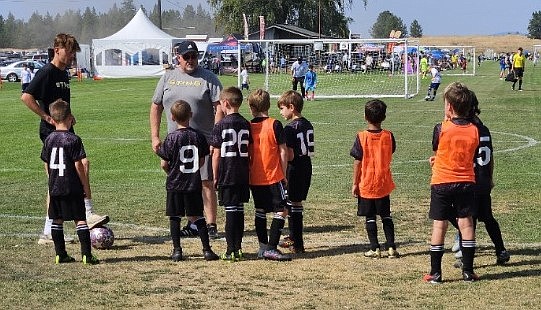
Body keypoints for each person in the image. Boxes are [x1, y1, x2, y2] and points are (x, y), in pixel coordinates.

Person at [21, 33, 109, 245]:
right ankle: (74, 218)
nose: (71, 56)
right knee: (59, 177)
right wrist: (46, 117)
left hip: (65, 129)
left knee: (76, 169)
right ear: (57, 49)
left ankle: (74, 219)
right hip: (52, 132)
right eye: (69, 52)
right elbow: (26, 96)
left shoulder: (63, 74)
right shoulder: (47, 72)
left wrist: (69, 117)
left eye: (73, 52)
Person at [151, 40, 224, 239]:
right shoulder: (168, 77)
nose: (191, 60)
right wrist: (155, 136)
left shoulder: (209, 78)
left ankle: (209, 224)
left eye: (194, 56)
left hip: (203, 141)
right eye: (187, 57)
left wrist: (214, 138)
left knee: (206, 181)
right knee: (178, 181)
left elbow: (220, 108)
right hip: (174, 142)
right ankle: (192, 221)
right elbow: (156, 106)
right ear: (178, 57)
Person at [424, 82, 479, 284]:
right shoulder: (474, 130)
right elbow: (465, 154)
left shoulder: (441, 128)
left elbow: (439, 149)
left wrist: (437, 161)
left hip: (442, 181)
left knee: (440, 226)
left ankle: (436, 273)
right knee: (466, 224)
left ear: (449, 107)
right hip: (466, 181)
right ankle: (468, 271)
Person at [451, 90, 510, 268]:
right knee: (488, 218)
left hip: (468, 181)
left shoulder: (466, 130)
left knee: (467, 219)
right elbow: (490, 157)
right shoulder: (484, 129)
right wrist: (489, 177)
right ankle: (501, 250)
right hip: (483, 180)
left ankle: (464, 257)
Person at [156, 100, 219, 262]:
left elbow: (164, 163)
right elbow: (203, 161)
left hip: (175, 184)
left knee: (175, 217)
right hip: (193, 184)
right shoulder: (198, 136)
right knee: (198, 216)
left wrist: (171, 173)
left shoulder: (170, 138)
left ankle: (177, 250)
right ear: (190, 115)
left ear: (171, 117)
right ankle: (206, 250)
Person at [41, 99, 99, 265]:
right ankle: (87, 255)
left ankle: (60, 254)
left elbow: (46, 163)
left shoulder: (49, 139)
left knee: (57, 219)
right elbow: (78, 165)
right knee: (80, 219)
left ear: (52, 118)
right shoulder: (73, 139)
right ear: (69, 117)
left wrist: (51, 180)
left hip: (55, 186)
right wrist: (84, 184)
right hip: (71, 185)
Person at [350, 99, 399, 259]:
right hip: (383, 183)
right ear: (384, 117)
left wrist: (355, 183)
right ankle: (391, 247)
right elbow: (390, 152)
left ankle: (374, 248)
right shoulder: (388, 136)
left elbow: (357, 162)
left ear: (365, 116)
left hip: (367, 183)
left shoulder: (361, 137)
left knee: (370, 217)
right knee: (386, 215)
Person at [248, 89, 291, 261]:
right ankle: (272, 247)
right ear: (269, 105)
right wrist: (284, 173)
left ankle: (262, 247)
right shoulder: (275, 124)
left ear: (251, 107)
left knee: (260, 210)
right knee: (282, 210)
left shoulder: (249, 126)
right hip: (273, 175)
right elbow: (283, 152)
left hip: (255, 177)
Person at [210, 87, 252, 262]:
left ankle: (230, 250)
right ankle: (239, 248)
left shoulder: (220, 125)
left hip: (227, 172)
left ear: (225, 103)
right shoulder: (246, 123)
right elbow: (250, 151)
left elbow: (216, 153)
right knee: (239, 211)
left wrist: (214, 175)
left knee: (230, 212)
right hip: (242, 172)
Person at [276, 90, 314, 254]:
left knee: (291, 203)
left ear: (291, 107)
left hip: (294, 167)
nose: (281, 112)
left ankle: (296, 241)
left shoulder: (289, 128)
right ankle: (295, 238)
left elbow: (290, 154)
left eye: (282, 108)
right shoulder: (308, 123)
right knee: (296, 202)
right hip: (306, 165)